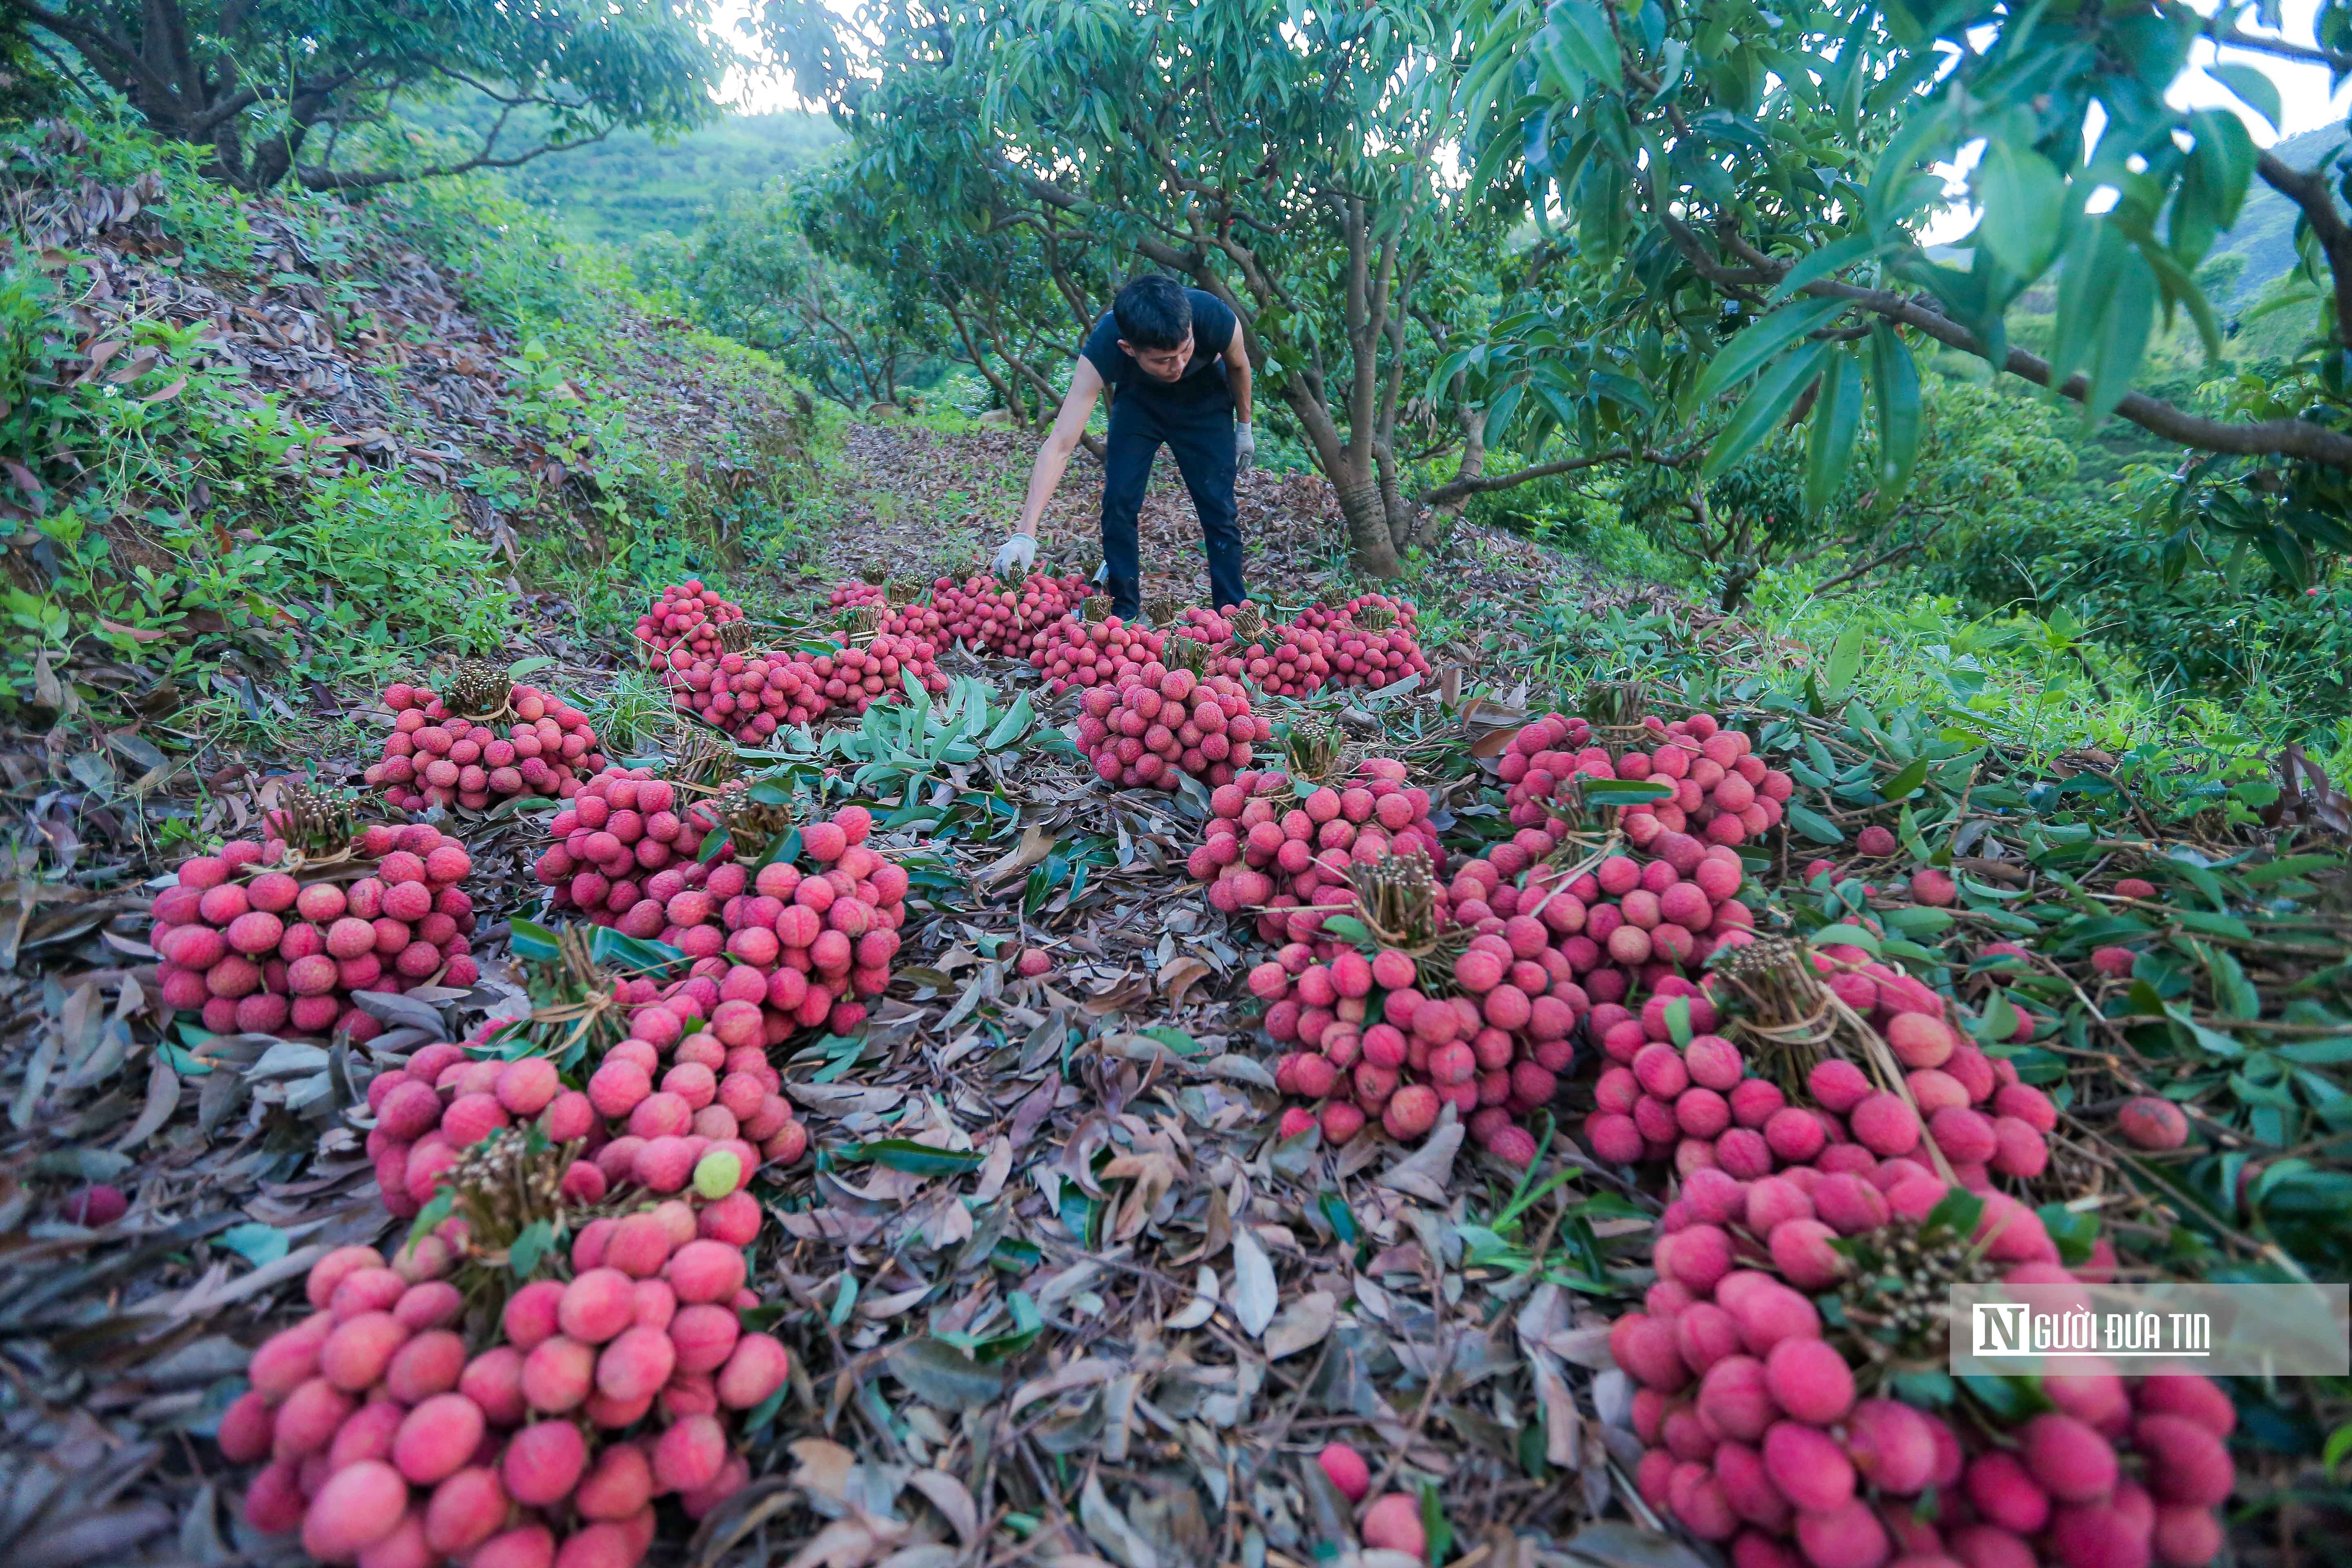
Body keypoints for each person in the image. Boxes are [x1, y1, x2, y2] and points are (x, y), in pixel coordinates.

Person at [992, 274, 1253, 619]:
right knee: (1118, 500)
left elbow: (1238, 365)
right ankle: (1123, 612)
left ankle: (1232, 613)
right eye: (1163, 360)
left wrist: (1244, 426)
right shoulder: (1104, 346)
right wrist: (1025, 534)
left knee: (1218, 506)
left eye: (1185, 350)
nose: (1178, 365)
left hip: (1205, 401)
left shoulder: (1213, 316)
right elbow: (1060, 444)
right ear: (1128, 349)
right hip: (1140, 404)